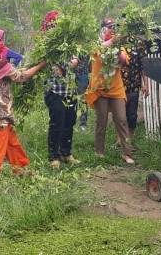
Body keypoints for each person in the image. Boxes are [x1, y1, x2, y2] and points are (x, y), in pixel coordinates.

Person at [0, 27, 46, 192]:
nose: (2, 43)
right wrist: (41, 64)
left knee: (12, 143)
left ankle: (21, 171)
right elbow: (22, 76)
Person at [86, 18, 135, 164]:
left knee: (121, 119)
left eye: (114, 27)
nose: (112, 29)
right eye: (109, 27)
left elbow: (124, 61)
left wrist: (118, 48)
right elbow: (97, 51)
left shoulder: (120, 45)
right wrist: (113, 41)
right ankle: (99, 151)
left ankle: (127, 153)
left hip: (116, 89)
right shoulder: (96, 44)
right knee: (102, 121)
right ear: (103, 29)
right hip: (100, 89)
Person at [41, 10, 80, 168]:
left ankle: (66, 153)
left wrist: (76, 60)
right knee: (57, 123)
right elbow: (57, 67)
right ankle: (53, 156)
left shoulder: (71, 42)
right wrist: (69, 64)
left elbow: (77, 60)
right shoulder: (47, 44)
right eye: (54, 24)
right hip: (55, 91)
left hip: (70, 90)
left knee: (69, 122)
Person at [122, 39, 150, 142]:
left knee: (132, 116)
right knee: (120, 116)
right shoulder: (117, 43)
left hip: (134, 87)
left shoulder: (139, 44)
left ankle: (129, 139)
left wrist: (146, 85)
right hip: (118, 88)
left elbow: (143, 67)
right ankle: (119, 140)